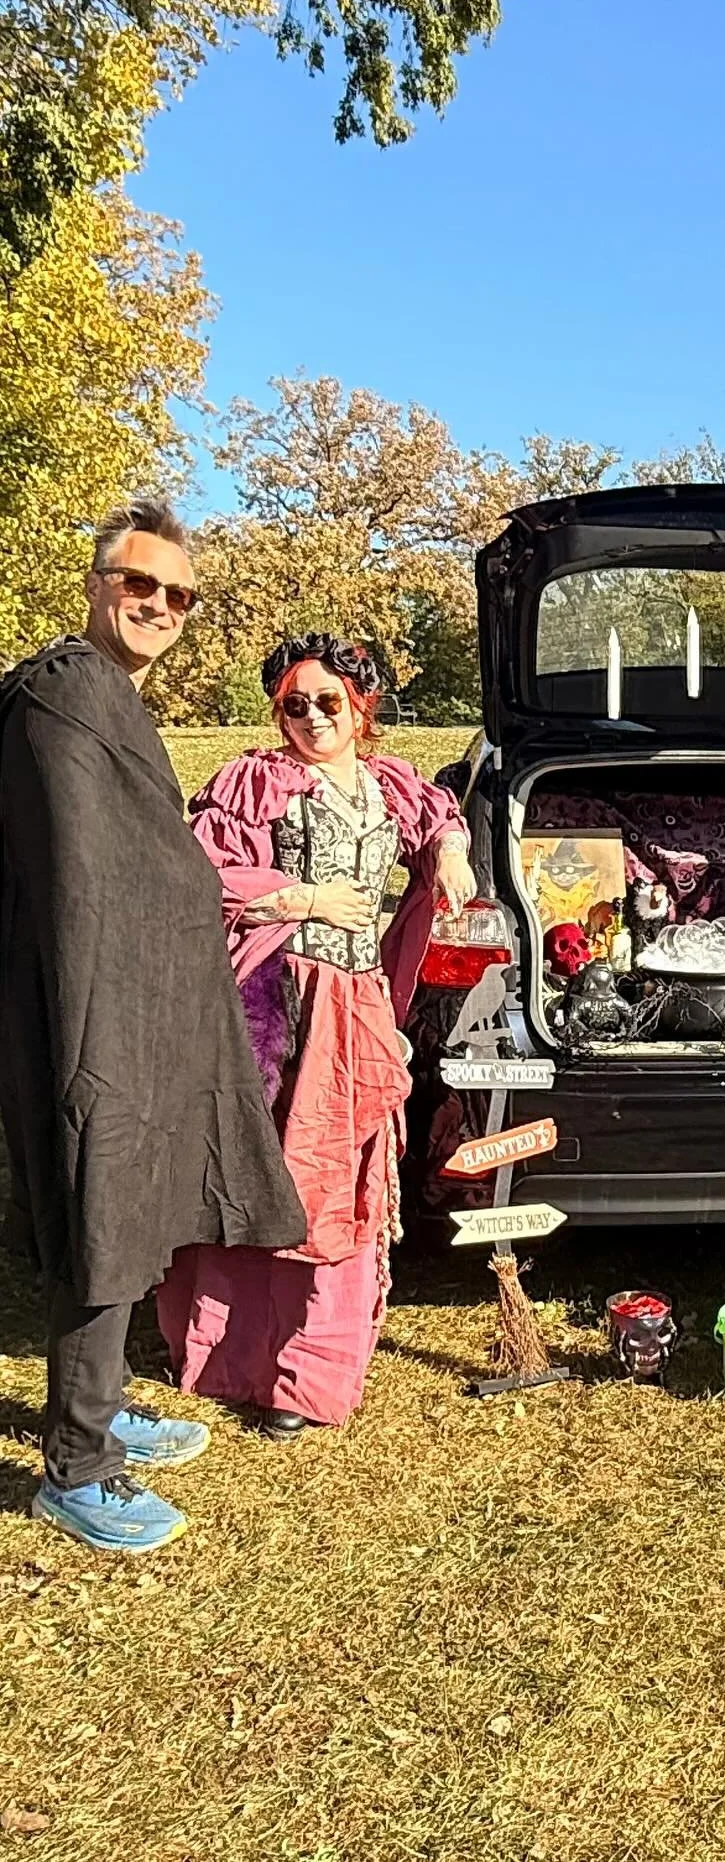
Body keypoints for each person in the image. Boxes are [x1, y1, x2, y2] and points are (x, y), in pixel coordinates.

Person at [0, 501, 306, 1553]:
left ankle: (99, 1405)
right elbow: (80, 880)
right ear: (96, 583)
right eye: (140, 584)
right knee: (103, 1197)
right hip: (97, 1010)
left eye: (180, 594)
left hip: (137, 1003)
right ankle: (77, 1465)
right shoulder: (64, 697)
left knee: (127, 1201)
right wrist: (105, 1030)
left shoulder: (103, 699)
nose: (160, 607)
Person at [154, 633, 475, 1437]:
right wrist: (303, 898)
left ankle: (308, 1370)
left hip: (358, 1005)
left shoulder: (389, 784)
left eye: (327, 701)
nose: (310, 717)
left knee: (343, 1182)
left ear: (360, 706)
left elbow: (438, 815)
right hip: (277, 1003)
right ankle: (235, 1356)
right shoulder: (257, 781)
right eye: (293, 704)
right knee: (270, 1173)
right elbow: (205, 870)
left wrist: (451, 847)